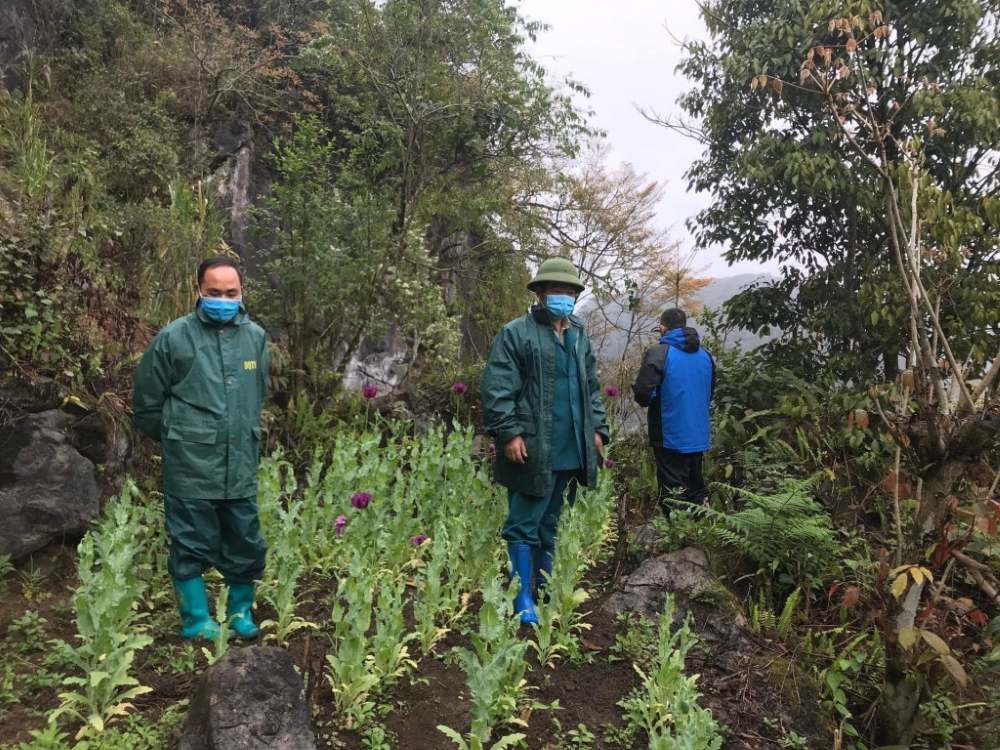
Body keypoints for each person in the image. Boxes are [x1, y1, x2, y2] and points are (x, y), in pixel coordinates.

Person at [133, 256, 269, 641]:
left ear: (241, 293)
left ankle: (240, 613)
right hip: (190, 465)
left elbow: (257, 394)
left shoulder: (255, 338)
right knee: (191, 542)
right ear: (199, 291)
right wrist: (181, 438)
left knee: (245, 541)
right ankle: (196, 620)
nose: (223, 300)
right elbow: (146, 404)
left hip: (239, 462)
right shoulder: (174, 338)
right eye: (214, 293)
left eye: (231, 293)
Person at [481, 258, 610, 626]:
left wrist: (598, 430)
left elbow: (591, 387)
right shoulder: (516, 333)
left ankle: (543, 584)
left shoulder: (578, 334)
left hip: (571, 444)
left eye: (570, 292)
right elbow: (498, 387)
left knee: (550, 519)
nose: (564, 297)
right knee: (524, 520)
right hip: (532, 446)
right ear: (540, 294)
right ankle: (522, 596)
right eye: (556, 291)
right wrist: (509, 432)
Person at [632, 308, 715, 513]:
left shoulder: (659, 353)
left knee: (673, 491)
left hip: (669, 433)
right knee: (696, 485)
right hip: (698, 433)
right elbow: (710, 391)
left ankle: (677, 536)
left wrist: (657, 398)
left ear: (662, 328)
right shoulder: (706, 356)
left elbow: (643, 393)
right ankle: (700, 532)